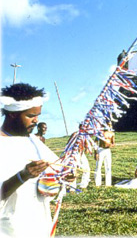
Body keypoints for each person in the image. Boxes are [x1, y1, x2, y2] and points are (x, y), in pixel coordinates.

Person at [0, 83, 74, 238]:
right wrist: (23, 175)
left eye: (38, 115)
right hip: (10, 227)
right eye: (30, 116)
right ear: (13, 113)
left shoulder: (34, 140)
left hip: (39, 222)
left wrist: (65, 176)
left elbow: (56, 169)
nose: (36, 121)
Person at [68, 123, 91, 189]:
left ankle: (83, 185)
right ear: (79, 128)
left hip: (81, 153)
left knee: (87, 169)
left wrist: (87, 148)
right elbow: (68, 144)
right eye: (82, 128)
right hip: (74, 154)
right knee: (73, 170)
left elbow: (86, 144)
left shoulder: (85, 135)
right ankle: (72, 187)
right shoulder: (75, 134)